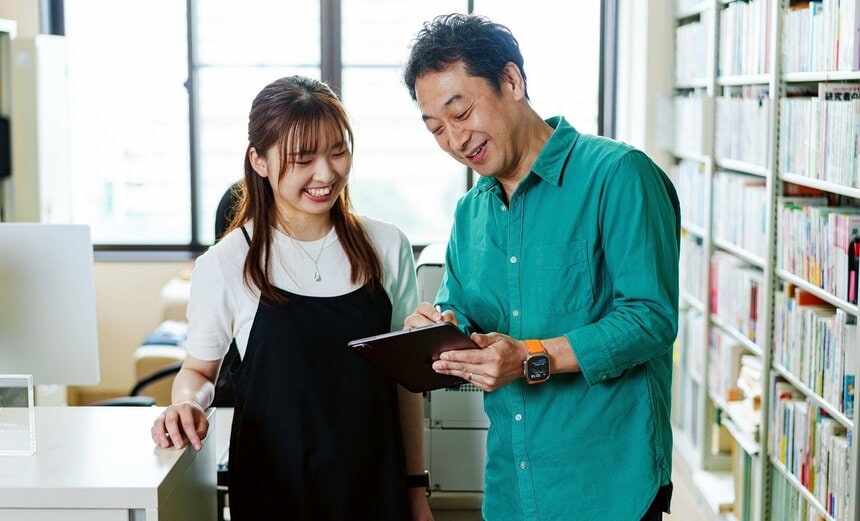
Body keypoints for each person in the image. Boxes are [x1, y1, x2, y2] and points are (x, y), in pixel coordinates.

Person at [402, 14, 680, 521]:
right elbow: (459, 307)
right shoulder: (471, 211)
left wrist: (533, 356)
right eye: (436, 128)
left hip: (608, 487)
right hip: (512, 486)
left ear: (512, 81)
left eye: (460, 112)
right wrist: (439, 328)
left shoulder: (618, 175)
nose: (454, 140)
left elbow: (651, 319)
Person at [150, 75, 433, 521]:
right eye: (302, 159)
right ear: (258, 161)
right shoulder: (227, 263)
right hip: (273, 492)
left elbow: (404, 383)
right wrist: (186, 402)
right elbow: (199, 370)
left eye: (338, 152)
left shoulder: (387, 246)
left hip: (374, 486)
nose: (325, 174)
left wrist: (416, 489)